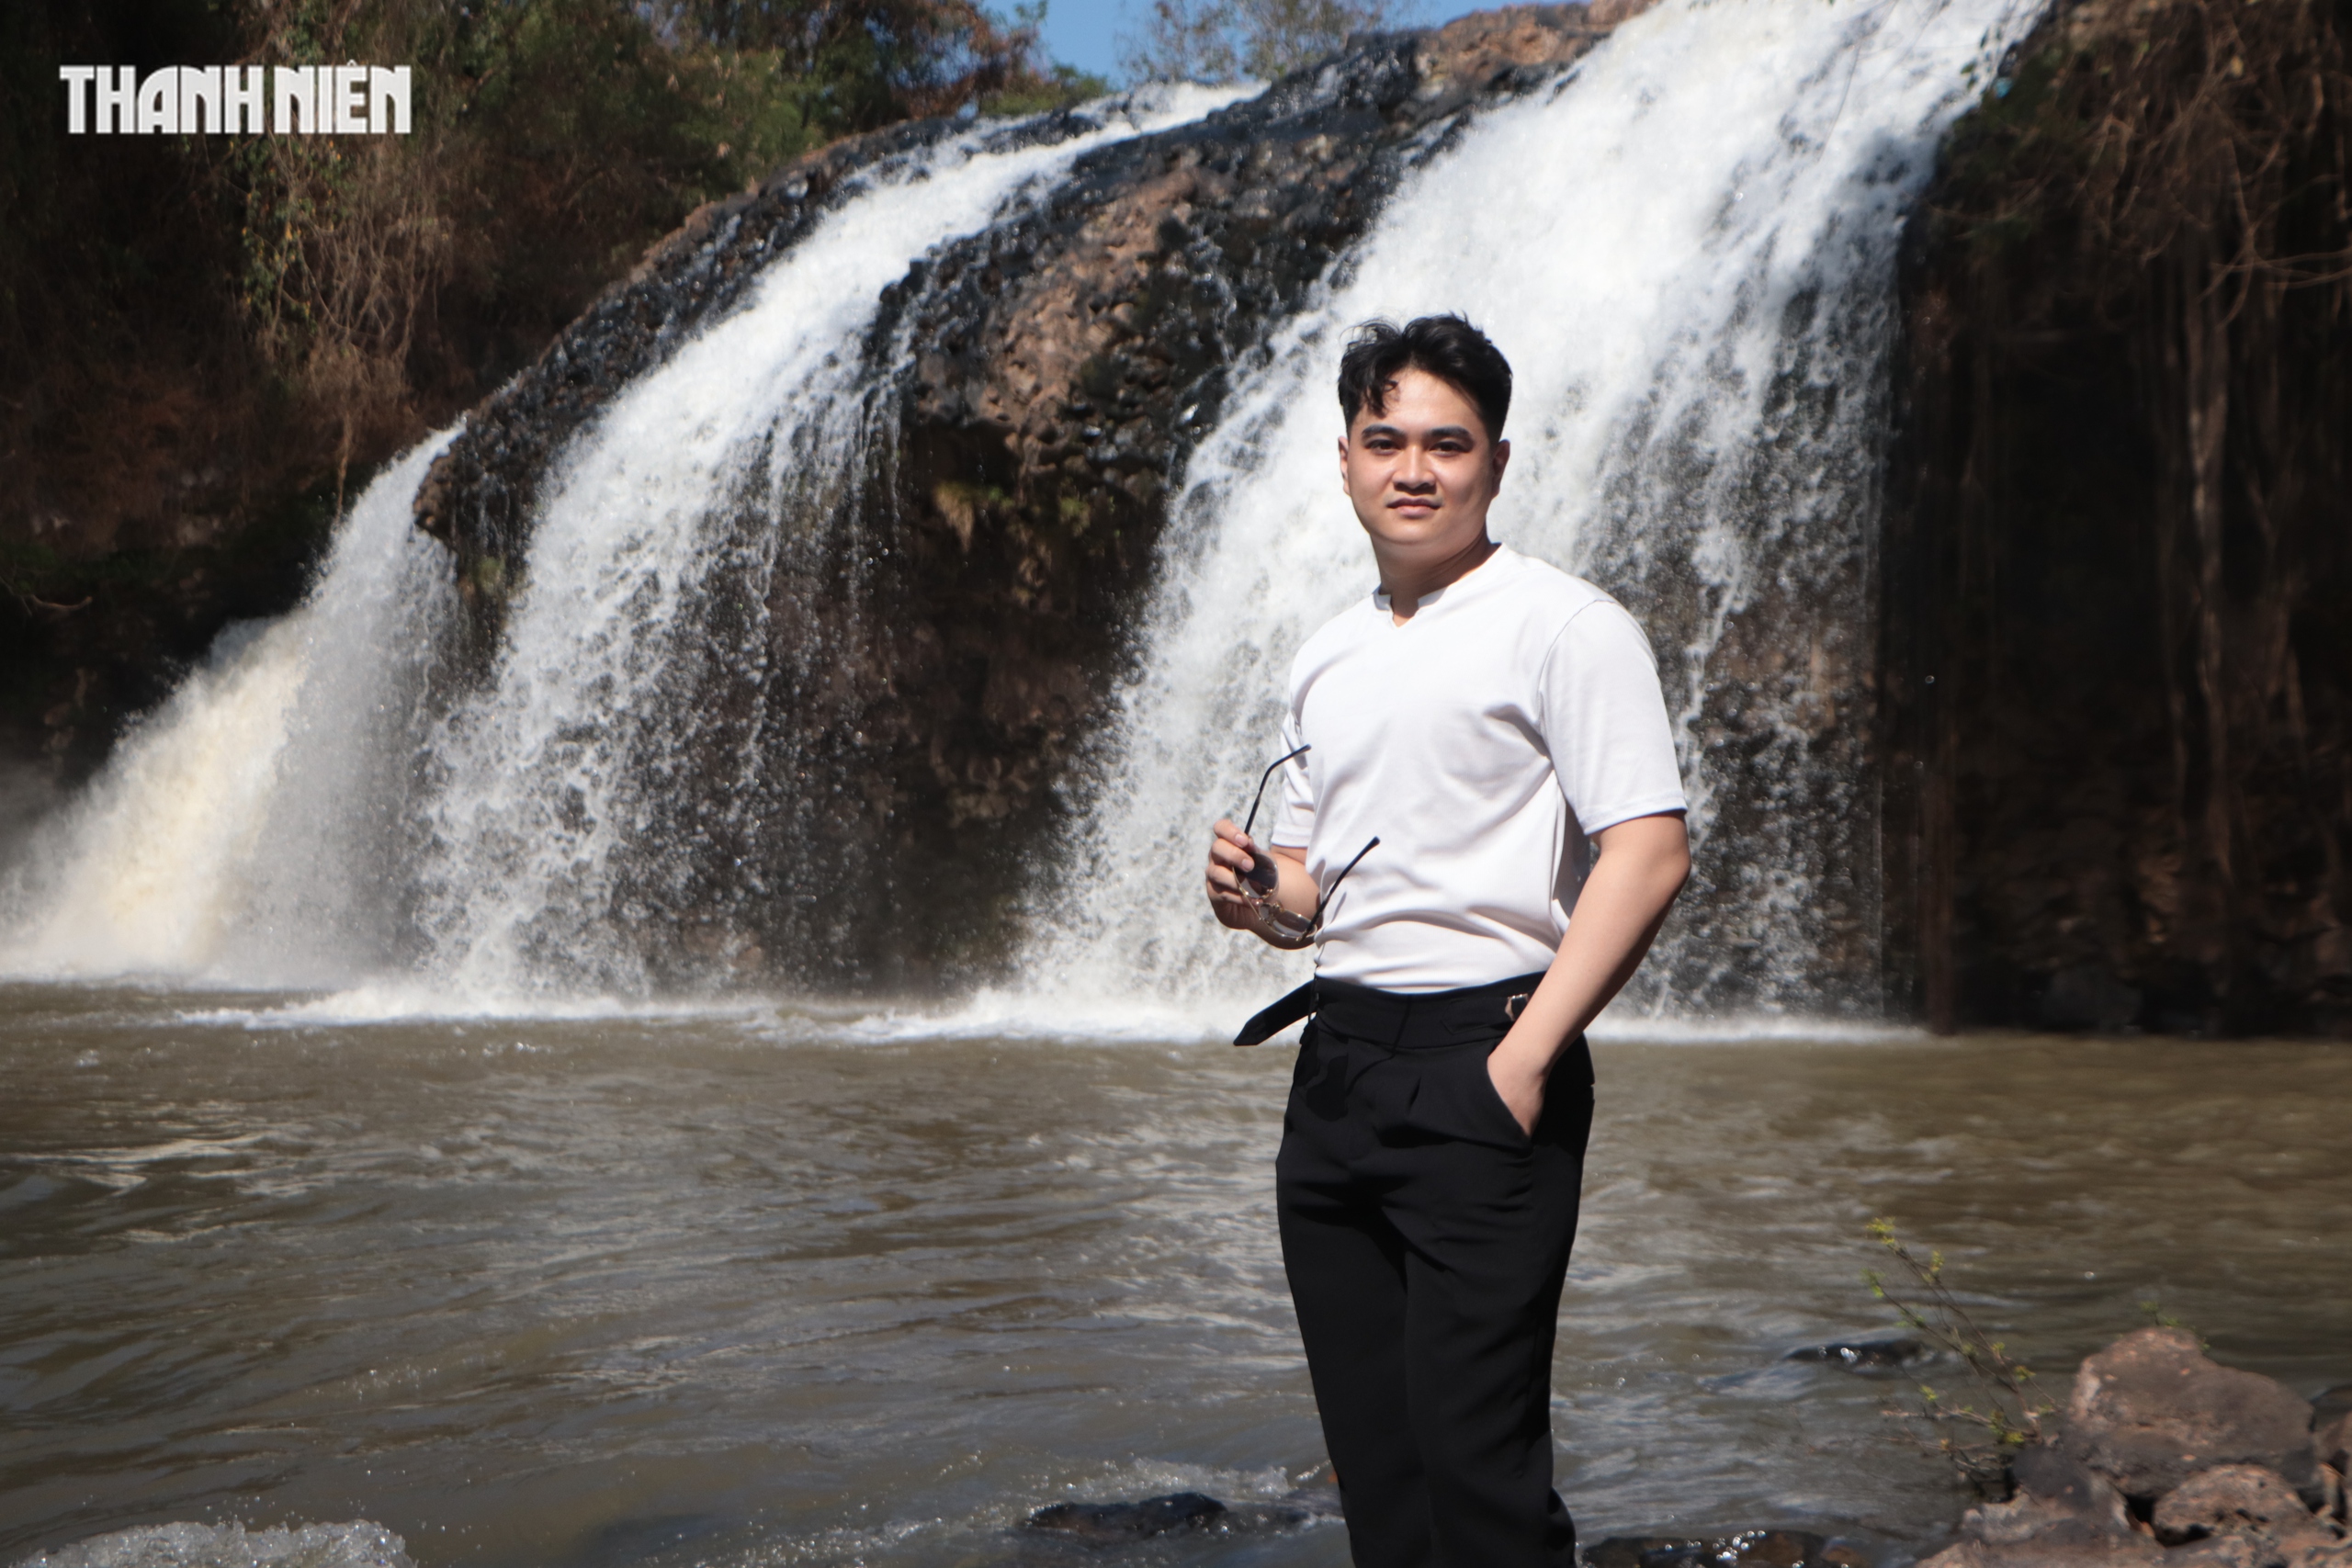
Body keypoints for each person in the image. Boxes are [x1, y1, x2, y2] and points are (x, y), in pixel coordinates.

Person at [1202, 314, 1691, 1567]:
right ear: (1348, 462)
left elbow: (1647, 851)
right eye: (1385, 440)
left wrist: (1523, 1062)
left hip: (1486, 1051)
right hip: (1340, 1069)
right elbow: (1315, 894)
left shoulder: (1565, 626)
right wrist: (1260, 894)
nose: (1412, 467)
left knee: (1482, 1473)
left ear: (1497, 463)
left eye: (1444, 442)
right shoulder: (1331, 653)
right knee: (1382, 1471)